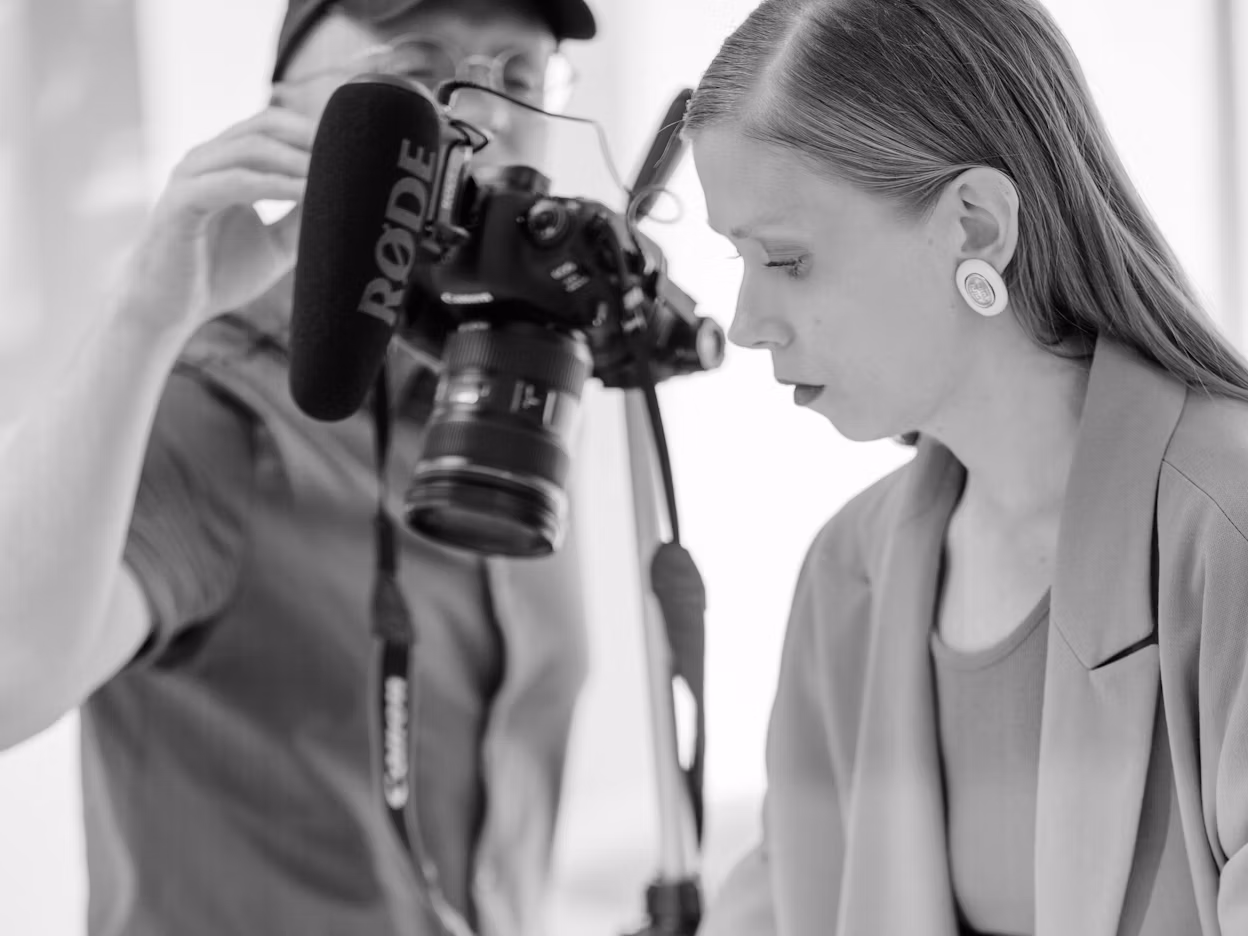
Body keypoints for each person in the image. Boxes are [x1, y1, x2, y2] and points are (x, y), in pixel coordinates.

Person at [0, 1, 599, 934]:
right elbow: (9, 681)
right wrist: (147, 316)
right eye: (419, 68)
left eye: (521, 78)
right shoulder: (219, 408)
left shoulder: (514, 399)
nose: (485, 118)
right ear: (290, 110)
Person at [683, 0, 1248, 934]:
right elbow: (781, 903)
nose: (746, 323)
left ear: (977, 227)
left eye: (786, 257)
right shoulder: (849, 573)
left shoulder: (1225, 538)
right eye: (737, 259)